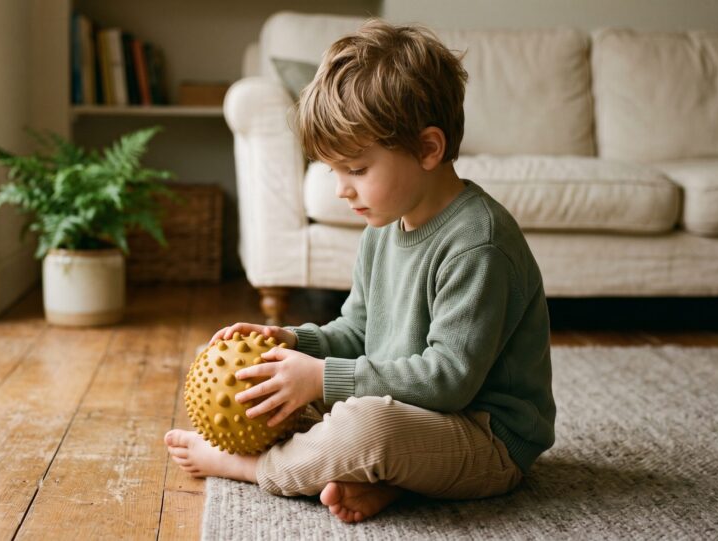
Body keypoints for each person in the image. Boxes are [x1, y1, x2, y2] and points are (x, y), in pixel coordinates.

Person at [164, 18, 556, 523]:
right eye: (333, 171)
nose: (341, 190)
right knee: (260, 384)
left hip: (482, 436)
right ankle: (388, 482)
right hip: (415, 414)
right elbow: (357, 331)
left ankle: (257, 467)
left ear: (428, 149)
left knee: (365, 430)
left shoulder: (478, 244)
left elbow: (447, 380)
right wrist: (291, 344)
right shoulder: (383, 227)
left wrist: (322, 378)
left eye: (356, 170)